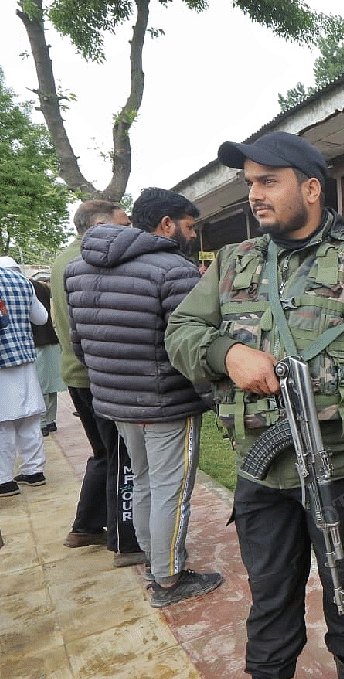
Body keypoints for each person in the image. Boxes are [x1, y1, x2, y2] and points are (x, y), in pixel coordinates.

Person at [166, 131, 344, 679]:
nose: (254, 194)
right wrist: (228, 355)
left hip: (343, 463)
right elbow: (180, 331)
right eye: (250, 183)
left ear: (310, 188)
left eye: (267, 181)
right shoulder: (232, 264)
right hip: (264, 472)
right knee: (271, 589)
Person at [66, 187, 218, 607]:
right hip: (167, 401)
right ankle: (169, 578)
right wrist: (214, 397)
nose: (192, 236)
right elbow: (193, 347)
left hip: (117, 402)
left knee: (147, 480)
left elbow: (81, 344)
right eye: (189, 227)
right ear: (167, 224)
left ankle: (156, 562)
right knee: (171, 487)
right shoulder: (173, 269)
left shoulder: (77, 270)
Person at [52, 200, 144, 558]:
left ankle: (85, 527)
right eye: (122, 224)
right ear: (99, 226)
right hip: (98, 374)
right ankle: (125, 541)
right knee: (120, 458)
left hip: (77, 372)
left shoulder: (64, 258)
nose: (128, 231)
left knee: (104, 454)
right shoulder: (92, 260)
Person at [0, 256, 48, 497]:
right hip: (25, 357)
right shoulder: (22, 281)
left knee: (0, 423)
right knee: (29, 418)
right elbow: (41, 318)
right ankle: (34, 471)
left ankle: (2, 480)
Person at [29, 276, 64, 436]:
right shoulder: (45, 288)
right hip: (51, 339)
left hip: (36, 342)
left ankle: (42, 423)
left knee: (40, 386)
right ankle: (51, 421)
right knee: (51, 386)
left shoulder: (28, 287)